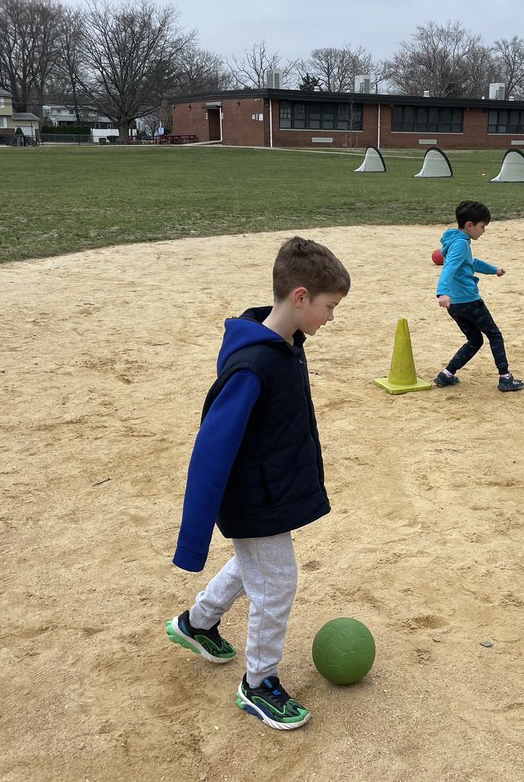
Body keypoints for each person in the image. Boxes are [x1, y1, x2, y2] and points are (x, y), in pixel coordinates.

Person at [166, 236, 351, 730]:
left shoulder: (285, 343)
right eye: (328, 307)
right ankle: (259, 683)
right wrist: (193, 537)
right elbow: (212, 447)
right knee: (277, 583)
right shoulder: (255, 364)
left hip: (271, 487)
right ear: (299, 297)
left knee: (257, 566)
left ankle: (197, 623)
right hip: (253, 494)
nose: (330, 317)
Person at [433, 200, 524, 392]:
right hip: (468, 301)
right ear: (469, 225)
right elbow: (449, 268)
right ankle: (505, 378)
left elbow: (471, 262)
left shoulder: (456, 241)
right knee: (495, 335)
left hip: (456, 306)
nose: (483, 231)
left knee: (475, 340)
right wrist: (442, 292)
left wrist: (494, 270)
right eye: (482, 227)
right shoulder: (460, 244)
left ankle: (447, 374)